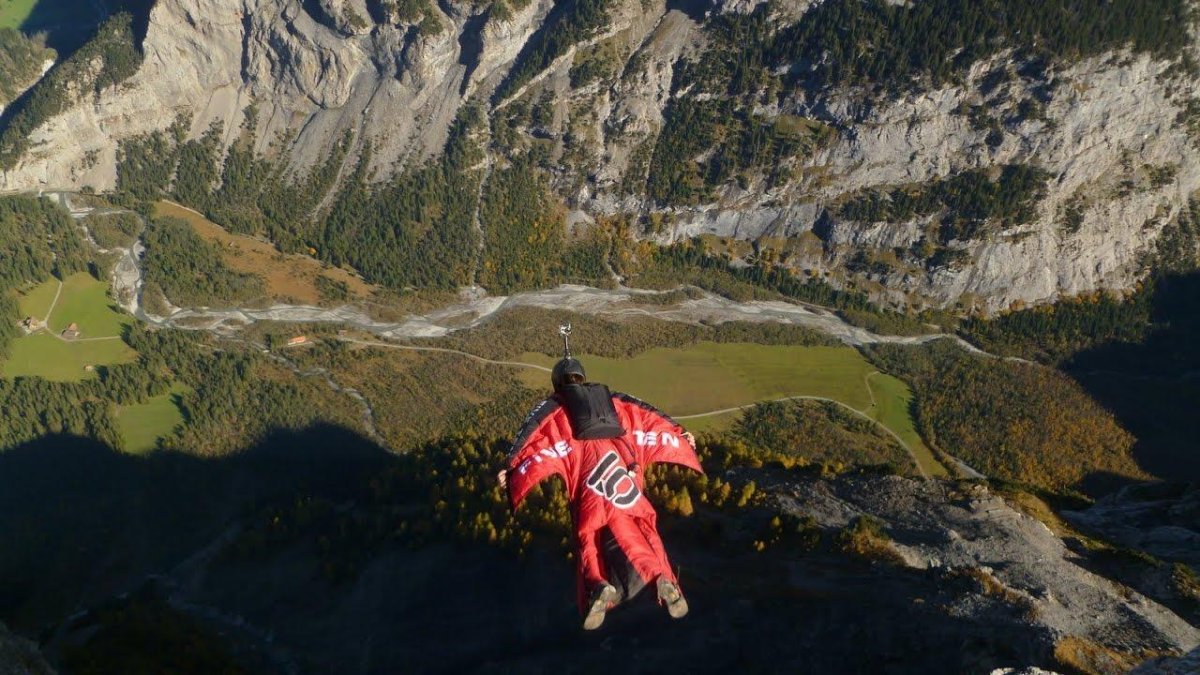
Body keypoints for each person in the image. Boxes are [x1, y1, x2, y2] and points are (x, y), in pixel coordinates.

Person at [498, 354, 703, 630]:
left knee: (590, 536)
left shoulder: (553, 411)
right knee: (643, 527)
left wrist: (510, 470)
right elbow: (650, 416)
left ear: (557, 383)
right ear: (583, 377)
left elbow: (531, 438)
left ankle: (598, 585)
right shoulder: (616, 402)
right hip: (625, 483)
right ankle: (662, 578)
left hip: (590, 488)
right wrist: (680, 434)